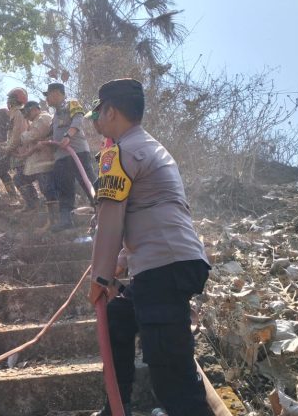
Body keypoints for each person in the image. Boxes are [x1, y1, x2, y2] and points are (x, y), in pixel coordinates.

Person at [86, 79, 213, 416]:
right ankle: (116, 404)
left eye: (98, 112)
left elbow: (111, 219)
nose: (95, 119)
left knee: (172, 374)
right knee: (118, 317)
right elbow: (149, 213)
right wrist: (122, 261)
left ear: (111, 111)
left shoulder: (120, 152)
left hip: (163, 268)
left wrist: (99, 278)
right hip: (169, 261)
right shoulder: (149, 147)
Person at [43, 82, 96, 232]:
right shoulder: (54, 115)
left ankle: (104, 212)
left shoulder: (71, 103)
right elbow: (52, 134)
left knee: (88, 183)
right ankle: (66, 220)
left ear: (56, 93)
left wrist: (68, 135)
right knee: (64, 188)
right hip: (61, 156)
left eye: (48, 96)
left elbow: (78, 119)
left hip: (77, 152)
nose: (47, 100)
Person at [16, 101, 59, 231]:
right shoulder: (35, 122)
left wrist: (23, 135)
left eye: (27, 112)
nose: (26, 116)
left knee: (48, 191)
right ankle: (33, 205)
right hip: (36, 164)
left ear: (35, 109)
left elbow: (31, 136)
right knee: (19, 179)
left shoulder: (43, 118)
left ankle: (53, 222)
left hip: (46, 162)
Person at [3, 87, 36, 211]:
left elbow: (18, 134)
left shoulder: (18, 113)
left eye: (10, 99)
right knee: (21, 176)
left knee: (20, 177)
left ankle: (31, 203)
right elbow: (13, 135)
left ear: (16, 100)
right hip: (18, 151)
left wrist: (8, 147)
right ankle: (32, 202)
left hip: (21, 152)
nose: (8, 102)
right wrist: (6, 145)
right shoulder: (15, 113)